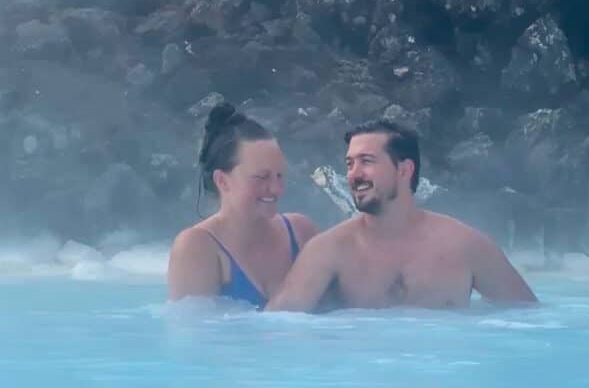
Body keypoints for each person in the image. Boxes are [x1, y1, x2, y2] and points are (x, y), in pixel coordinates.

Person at [267, 118, 537, 311]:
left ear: (404, 170)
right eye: (350, 164)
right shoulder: (329, 250)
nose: (353, 174)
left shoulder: (466, 246)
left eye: (367, 161)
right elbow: (277, 328)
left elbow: (532, 322)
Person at [167, 102, 318, 306]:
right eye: (262, 177)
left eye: (279, 176)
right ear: (222, 181)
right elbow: (195, 334)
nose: (276, 189)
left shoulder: (301, 232)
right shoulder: (197, 248)